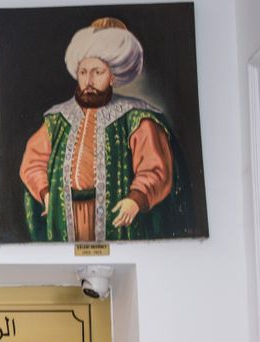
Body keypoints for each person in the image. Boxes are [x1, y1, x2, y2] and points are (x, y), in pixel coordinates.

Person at [19, 17, 193, 242]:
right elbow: (32, 162)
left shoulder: (136, 117)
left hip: (119, 218)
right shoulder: (57, 119)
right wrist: (46, 192)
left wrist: (136, 198)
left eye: (97, 72)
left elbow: (155, 168)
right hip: (66, 217)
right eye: (83, 72)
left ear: (113, 76)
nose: (88, 81)